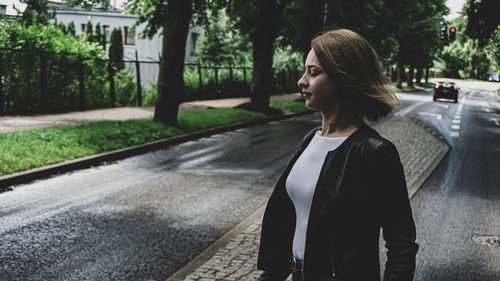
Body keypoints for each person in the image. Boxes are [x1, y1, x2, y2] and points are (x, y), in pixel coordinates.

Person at [256, 29, 419, 281]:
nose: (302, 81)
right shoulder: (311, 139)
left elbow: (402, 245)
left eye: (314, 72)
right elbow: (289, 222)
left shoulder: (375, 153)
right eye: (304, 71)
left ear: (343, 78)